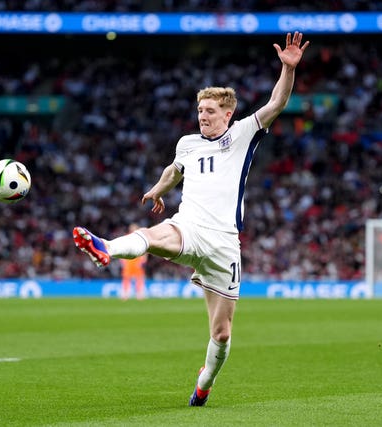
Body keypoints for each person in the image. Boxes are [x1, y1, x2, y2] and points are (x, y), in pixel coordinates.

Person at [73, 32, 309, 406]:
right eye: (200, 111)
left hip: (225, 242)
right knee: (151, 235)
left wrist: (287, 68)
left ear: (227, 114)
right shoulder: (188, 143)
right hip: (190, 225)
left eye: (210, 111)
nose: (203, 116)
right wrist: (158, 189)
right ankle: (105, 248)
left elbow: (278, 102)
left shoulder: (244, 133)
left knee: (222, 332)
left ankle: (205, 382)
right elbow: (174, 169)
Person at [120, 223, 148, 300]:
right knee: (126, 278)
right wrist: (123, 260)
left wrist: (143, 260)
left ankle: (140, 294)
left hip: (137, 261)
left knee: (139, 278)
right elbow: (122, 249)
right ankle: (125, 294)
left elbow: (145, 250)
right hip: (129, 261)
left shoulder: (140, 238)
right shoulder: (126, 238)